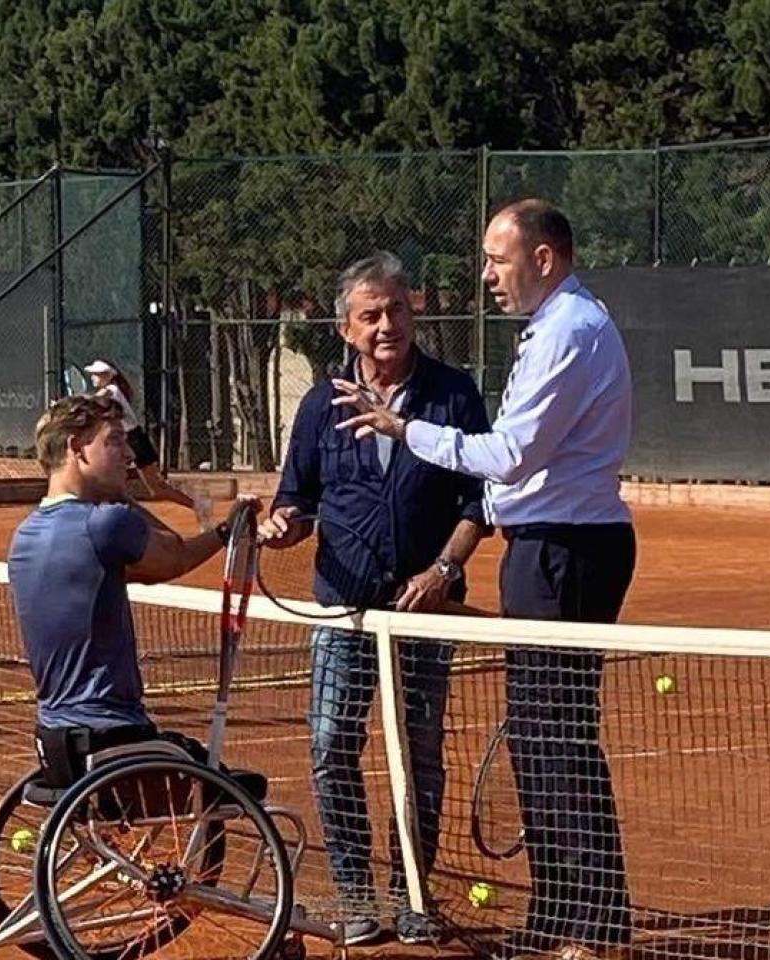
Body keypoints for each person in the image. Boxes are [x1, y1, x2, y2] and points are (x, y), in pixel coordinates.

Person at [333, 200, 635, 960]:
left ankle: (597, 926)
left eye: (499, 260)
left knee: (558, 736)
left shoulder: (569, 330)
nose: (488, 275)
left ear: (543, 259)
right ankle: (556, 915)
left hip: (568, 550)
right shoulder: (554, 327)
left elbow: (509, 455)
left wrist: (405, 429)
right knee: (536, 738)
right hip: (544, 548)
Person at [257, 251, 491, 947]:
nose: (387, 325)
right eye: (370, 315)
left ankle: (413, 896)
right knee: (332, 744)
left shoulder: (455, 394)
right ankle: (357, 896)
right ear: (346, 328)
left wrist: (444, 569)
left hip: (426, 610)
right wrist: (283, 525)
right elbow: (297, 498)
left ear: (413, 310)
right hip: (343, 609)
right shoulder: (319, 405)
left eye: (396, 309)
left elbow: (480, 500)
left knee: (420, 753)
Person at [6, 393, 251, 791]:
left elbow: (144, 571)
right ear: (76, 448)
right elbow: (173, 555)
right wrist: (227, 530)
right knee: (240, 787)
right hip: (115, 738)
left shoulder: (25, 536)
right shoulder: (106, 524)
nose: (130, 456)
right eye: (115, 441)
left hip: (55, 742)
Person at [82, 359, 207, 521]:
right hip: (127, 439)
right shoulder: (109, 393)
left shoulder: (111, 390)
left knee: (156, 489)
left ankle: (198, 506)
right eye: (93, 374)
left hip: (135, 441)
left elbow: (93, 401)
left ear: (108, 375)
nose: (93, 377)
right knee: (120, 483)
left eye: (97, 374)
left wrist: (64, 405)